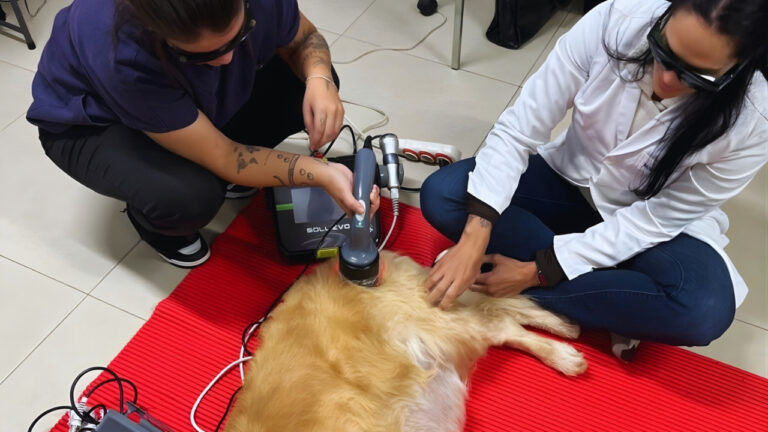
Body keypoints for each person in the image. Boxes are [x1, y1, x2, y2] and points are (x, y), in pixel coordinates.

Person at [420, 0, 767, 360]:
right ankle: (618, 297)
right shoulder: (617, 18)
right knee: (443, 194)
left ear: (736, 69)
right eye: (663, 50)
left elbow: (655, 220)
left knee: (702, 310)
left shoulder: (753, 121)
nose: (665, 77)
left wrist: (538, 271)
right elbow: (520, 128)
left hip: (653, 226)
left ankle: (550, 286)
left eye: (695, 76)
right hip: (570, 181)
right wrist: (476, 237)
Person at [28, 0, 378, 268]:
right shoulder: (118, 47)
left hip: (180, 97)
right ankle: (152, 220)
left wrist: (321, 80)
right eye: (203, 55)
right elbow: (227, 158)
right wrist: (319, 173)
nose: (227, 61)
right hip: (94, 124)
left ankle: (205, 129)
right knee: (190, 196)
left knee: (305, 88)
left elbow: (303, 38)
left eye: (238, 38)